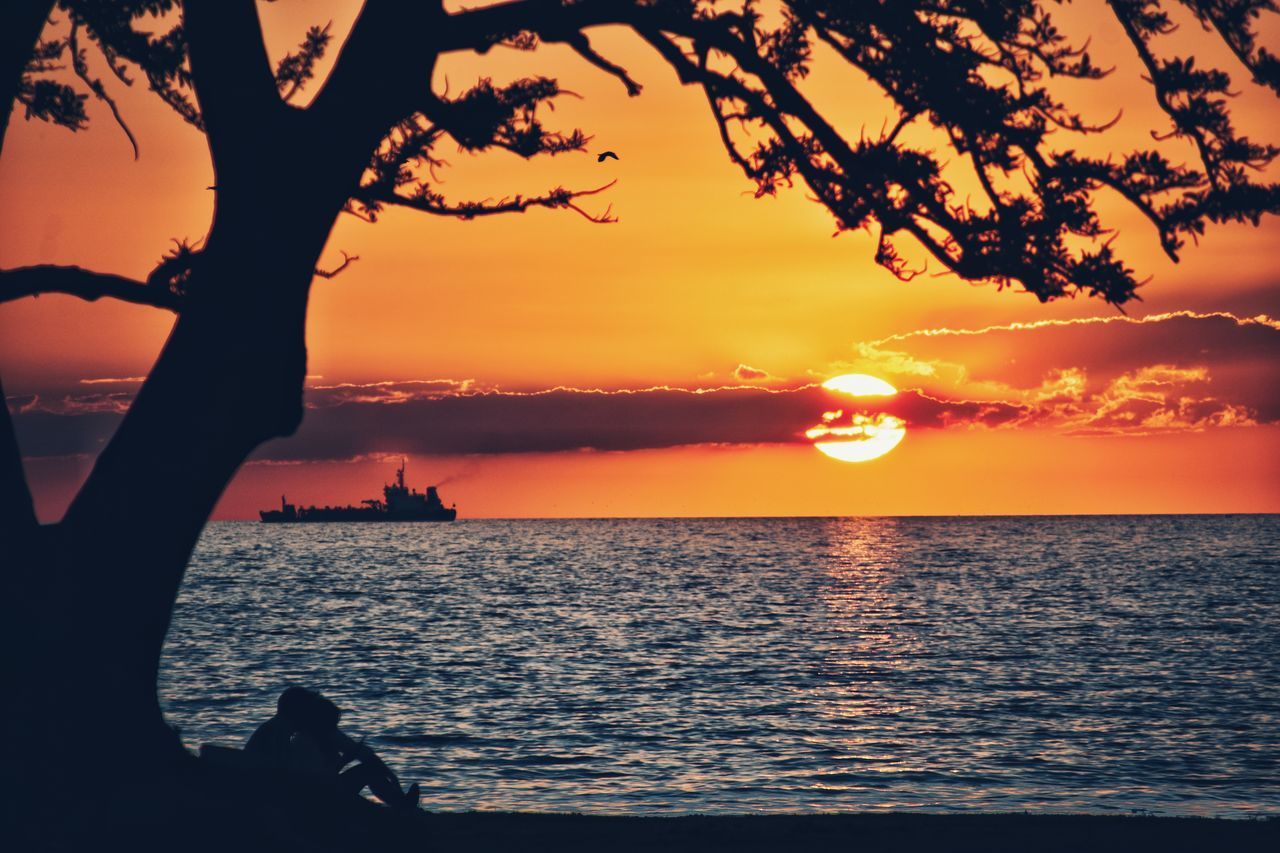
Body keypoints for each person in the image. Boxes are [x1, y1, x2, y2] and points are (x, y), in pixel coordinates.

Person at [245, 687, 420, 810]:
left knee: (370, 770)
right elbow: (310, 778)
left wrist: (390, 776)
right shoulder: (288, 735)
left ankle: (400, 803)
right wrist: (344, 761)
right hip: (300, 794)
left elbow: (363, 754)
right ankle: (399, 805)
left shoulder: (307, 731)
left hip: (307, 788)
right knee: (365, 779)